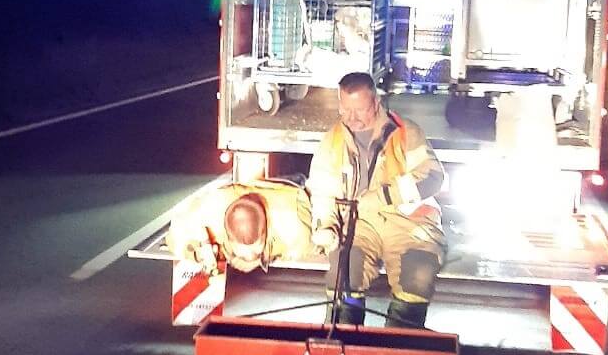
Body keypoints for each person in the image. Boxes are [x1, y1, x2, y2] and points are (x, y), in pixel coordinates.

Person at [308, 71, 446, 329]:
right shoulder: (333, 140)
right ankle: (343, 341)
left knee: (416, 274)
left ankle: (397, 346)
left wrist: (384, 196)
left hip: (407, 220)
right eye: (345, 110)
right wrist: (325, 225)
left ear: (376, 103)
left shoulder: (405, 133)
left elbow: (432, 177)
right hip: (359, 223)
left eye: (359, 110)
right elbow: (322, 189)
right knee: (344, 274)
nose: (352, 118)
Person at [167, 179, 313, 274]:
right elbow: (175, 238)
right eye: (243, 252)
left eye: (256, 249)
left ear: (265, 230)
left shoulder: (295, 227)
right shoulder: (212, 207)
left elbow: (316, 245)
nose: (250, 256)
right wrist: (199, 251)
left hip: (292, 184)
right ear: (228, 235)